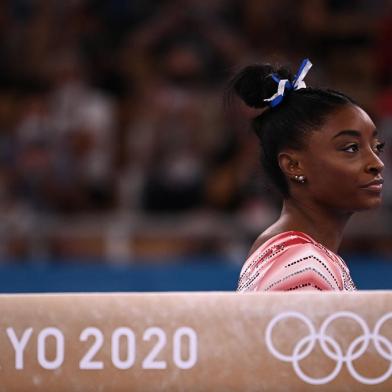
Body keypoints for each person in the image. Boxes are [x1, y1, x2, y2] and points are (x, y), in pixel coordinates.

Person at [227, 59, 385, 291]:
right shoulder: (304, 268)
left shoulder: (298, 255)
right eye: (351, 148)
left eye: (377, 147)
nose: (377, 163)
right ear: (293, 165)